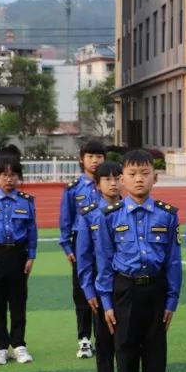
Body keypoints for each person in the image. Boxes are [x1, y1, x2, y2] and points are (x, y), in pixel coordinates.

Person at [94, 150, 182, 372]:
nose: (139, 179)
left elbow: (172, 261)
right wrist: (106, 302)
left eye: (144, 173)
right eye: (132, 174)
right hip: (124, 292)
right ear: (121, 180)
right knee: (126, 357)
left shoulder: (167, 215)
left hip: (155, 292)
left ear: (154, 177)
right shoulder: (110, 217)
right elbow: (104, 262)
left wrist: (171, 301)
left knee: (156, 358)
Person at [0, 156, 38, 366]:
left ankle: (19, 344)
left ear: (18, 177)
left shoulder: (26, 201)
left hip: (18, 254)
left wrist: (31, 255)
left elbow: (31, 230)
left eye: (12, 175)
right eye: (4, 175)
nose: (8, 180)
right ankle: (0, 347)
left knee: (18, 301)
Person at [74, 160, 124, 372]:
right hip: (101, 283)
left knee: (127, 336)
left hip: (129, 282)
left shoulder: (131, 208)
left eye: (117, 178)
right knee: (104, 336)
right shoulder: (89, 214)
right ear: (97, 185)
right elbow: (83, 256)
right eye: (107, 179)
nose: (113, 183)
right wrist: (87, 288)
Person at [59, 140, 106, 359]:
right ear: (82, 159)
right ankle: (84, 339)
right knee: (82, 290)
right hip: (81, 241)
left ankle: (104, 336)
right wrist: (67, 246)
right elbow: (65, 220)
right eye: (90, 156)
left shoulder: (109, 183)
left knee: (105, 287)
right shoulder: (73, 189)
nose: (95, 160)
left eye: (99, 156)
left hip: (106, 241)